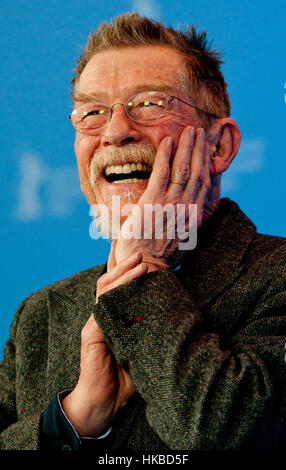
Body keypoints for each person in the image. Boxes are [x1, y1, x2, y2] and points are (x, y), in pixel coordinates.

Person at [0, 13, 285, 452]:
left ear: (219, 146)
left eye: (150, 104)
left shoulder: (277, 276)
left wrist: (140, 277)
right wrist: (72, 420)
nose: (115, 131)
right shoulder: (40, 316)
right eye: (92, 113)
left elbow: (224, 432)